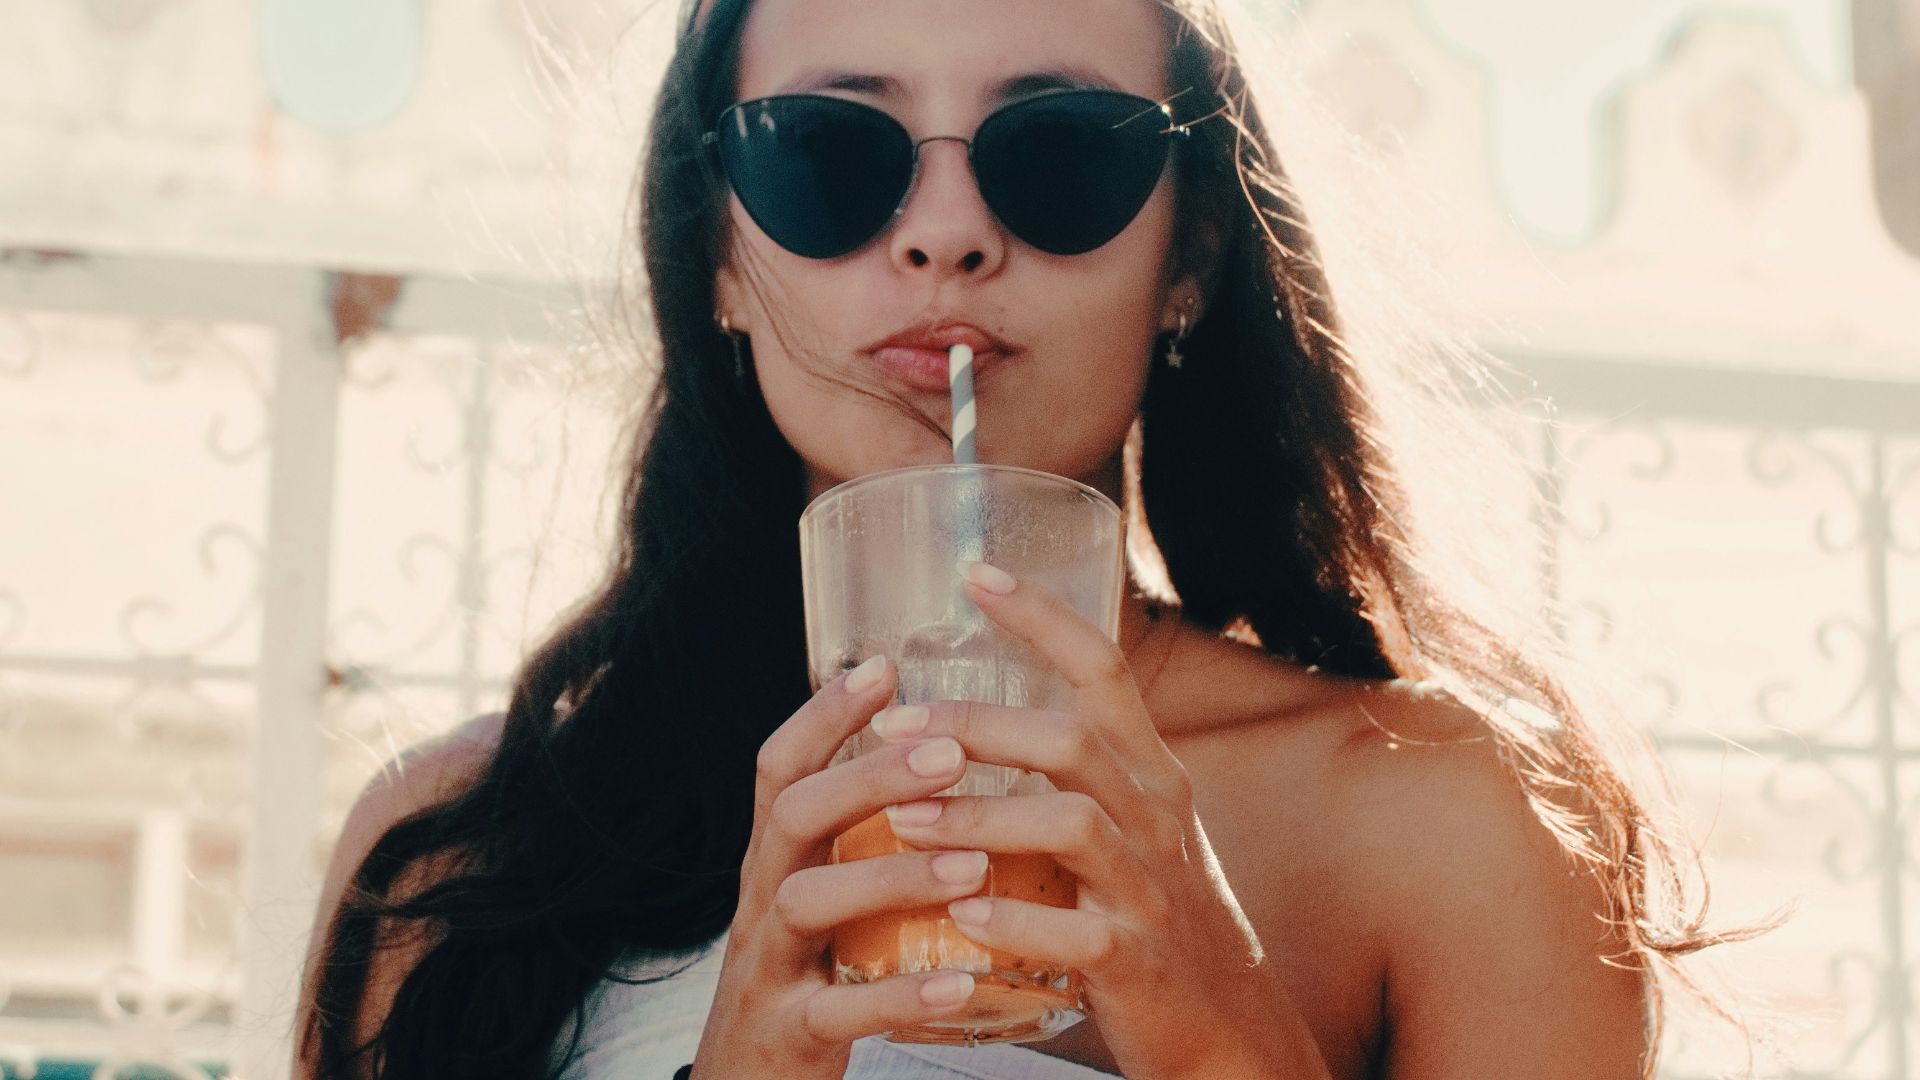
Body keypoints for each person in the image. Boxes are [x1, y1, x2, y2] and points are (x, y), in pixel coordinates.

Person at [294, 0, 1751, 1076]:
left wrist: (1219, 1034)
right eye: (828, 154)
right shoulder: (460, 855)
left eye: (1061, 154)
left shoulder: (1441, 819)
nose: (945, 231)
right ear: (718, 257)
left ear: (1191, 256)